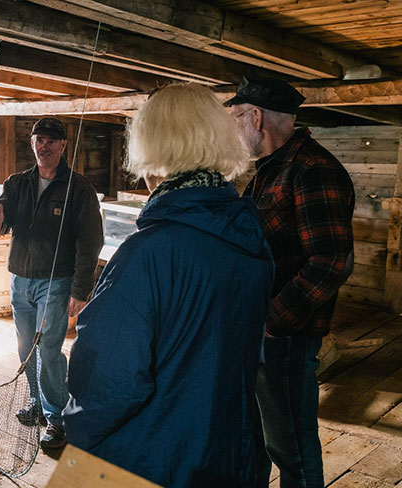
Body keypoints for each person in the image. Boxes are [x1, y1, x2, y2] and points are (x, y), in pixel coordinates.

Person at [63, 83, 274, 487]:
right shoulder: (248, 237)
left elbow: (108, 384)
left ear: (154, 150)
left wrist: (75, 432)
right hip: (231, 454)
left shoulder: (149, 253)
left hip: (151, 462)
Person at [227, 76, 355, 488]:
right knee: (264, 439)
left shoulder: (312, 170)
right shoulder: (271, 170)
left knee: (293, 450)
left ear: (257, 117)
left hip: (287, 337)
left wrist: (270, 321)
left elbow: (332, 262)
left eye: (236, 118)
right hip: (266, 334)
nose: (234, 128)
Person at [0, 117, 103, 449]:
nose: (45, 146)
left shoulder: (78, 188)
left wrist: (80, 289)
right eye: (40, 139)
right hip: (21, 279)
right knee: (26, 348)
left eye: (52, 140)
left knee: (48, 351)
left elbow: (91, 240)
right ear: (32, 143)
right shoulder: (17, 183)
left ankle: (58, 420)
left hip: (57, 281)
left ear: (63, 146)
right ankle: (38, 403)